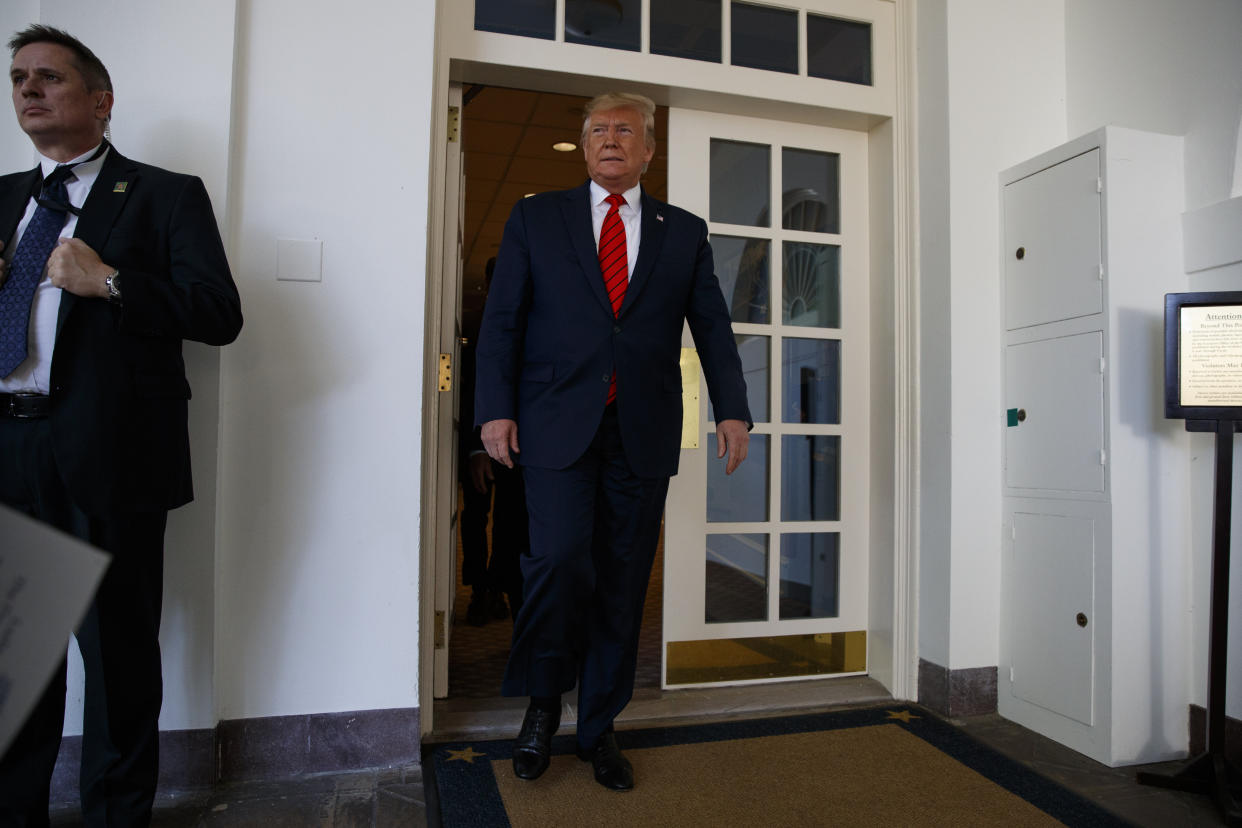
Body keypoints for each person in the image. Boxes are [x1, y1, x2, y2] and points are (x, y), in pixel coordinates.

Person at [0, 25, 242, 826]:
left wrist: (111, 282)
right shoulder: (2, 198)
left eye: (49, 78)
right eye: (20, 79)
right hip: (12, 450)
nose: (29, 90)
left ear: (100, 102)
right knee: (17, 658)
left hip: (111, 459)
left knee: (117, 659)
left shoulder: (164, 194)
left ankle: (116, 815)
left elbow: (218, 314)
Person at [475, 92, 751, 792]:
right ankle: (543, 706)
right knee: (558, 564)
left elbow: (712, 327)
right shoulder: (537, 217)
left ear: (649, 150)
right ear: (585, 142)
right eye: (597, 128)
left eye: (625, 130)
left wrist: (734, 410)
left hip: (642, 429)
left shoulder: (682, 231)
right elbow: (503, 320)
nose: (610, 139)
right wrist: (494, 412)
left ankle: (598, 727)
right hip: (554, 425)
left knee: (623, 584)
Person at [458, 257, 525, 626]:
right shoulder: (474, 321)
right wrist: (477, 448)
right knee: (475, 517)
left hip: (519, 445)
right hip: (480, 442)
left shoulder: (530, 317)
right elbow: (470, 388)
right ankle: (479, 589)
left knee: (508, 521)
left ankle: (497, 588)